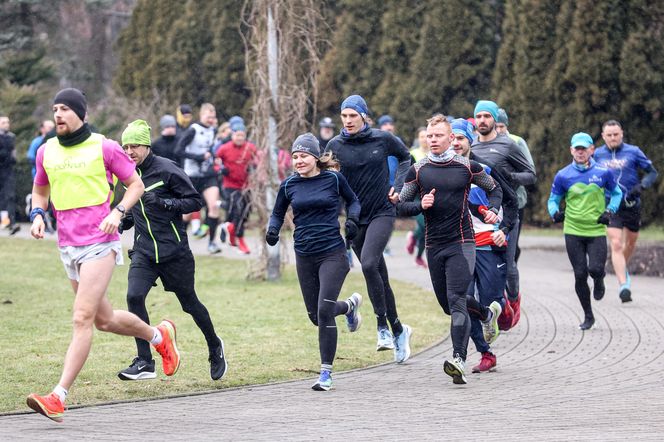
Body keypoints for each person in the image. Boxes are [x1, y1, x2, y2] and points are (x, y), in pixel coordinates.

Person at [26, 88, 179, 422]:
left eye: (65, 108)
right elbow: (40, 190)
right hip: (67, 246)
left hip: (100, 241)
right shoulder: (47, 151)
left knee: (81, 318)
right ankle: (159, 336)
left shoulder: (105, 147)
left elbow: (135, 184)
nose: (58, 114)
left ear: (81, 112)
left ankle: (58, 396)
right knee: (104, 320)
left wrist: (118, 211)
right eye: (55, 109)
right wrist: (38, 215)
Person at [115, 120, 227, 381]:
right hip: (144, 251)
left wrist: (164, 202)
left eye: (134, 146)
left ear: (146, 145)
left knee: (190, 304)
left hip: (174, 251)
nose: (129, 152)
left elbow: (194, 201)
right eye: (125, 147)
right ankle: (145, 361)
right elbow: (135, 209)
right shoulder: (127, 174)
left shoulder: (167, 169)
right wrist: (124, 221)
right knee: (134, 297)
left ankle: (214, 346)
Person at [398, 114, 502, 384]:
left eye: (438, 136)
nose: (433, 140)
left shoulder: (467, 167)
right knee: (449, 305)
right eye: (430, 136)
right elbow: (401, 206)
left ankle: (458, 359)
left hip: (462, 242)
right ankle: (487, 314)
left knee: (456, 299)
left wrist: (492, 210)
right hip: (434, 245)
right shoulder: (418, 170)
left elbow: (495, 189)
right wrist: (422, 205)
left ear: (450, 139)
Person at [267, 133, 363, 390]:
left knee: (323, 309)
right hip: (305, 254)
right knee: (316, 316)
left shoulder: (333, 179)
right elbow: (277, 213)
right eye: (295, 156)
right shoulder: (289, 185)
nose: (298, 161)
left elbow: (353, 200)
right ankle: (349, 307)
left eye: (303, 156)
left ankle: (326, 373)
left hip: (333, 253)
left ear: (315, 157)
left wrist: (352, 220)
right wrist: (273, 230)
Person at [325, 95, 413, 362]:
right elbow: (327, 180)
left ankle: (382, 327)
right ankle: (399, 329)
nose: (348, 121)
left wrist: (397, 188)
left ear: (364, 116)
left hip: (383, 211)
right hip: (355, 219)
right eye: (344, 116)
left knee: (369, 264)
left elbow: (406, 158)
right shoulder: (335, 145)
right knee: (378, 275)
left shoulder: (381, 139)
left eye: (353, 115)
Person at [451, 118, 518, 373]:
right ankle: (484, 353)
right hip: (461, 246)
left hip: (491, 244)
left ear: (470, 141)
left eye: (461, 138)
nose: (456, 143)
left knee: (491, 301)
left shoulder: (484, 169)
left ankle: (503, 306)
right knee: (463, 301)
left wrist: (504, 229)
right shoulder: (440, 170)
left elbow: (511, 202)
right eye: (453, 138)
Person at [471, 100, 536, 329]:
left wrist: (510, 178)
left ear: (494, 120)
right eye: (478, 116)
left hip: (508, 213)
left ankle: (514, 299)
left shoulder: (508, 145)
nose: (482, 121)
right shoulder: (471, 148)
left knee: (508, 267)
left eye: (487, 116)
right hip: (481, 218)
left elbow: (530, 175)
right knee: (480, 269)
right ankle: (491, 312)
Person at [549, 132, 622, 329]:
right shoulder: (563, 175)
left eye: (584, 149)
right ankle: (588, 316)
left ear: (591, 150)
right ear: (571, 150)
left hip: (596, 229)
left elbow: (617, 193)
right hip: (573, 229)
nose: (580, 152)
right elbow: (553, 199)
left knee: (596, 269)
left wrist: (610, 211)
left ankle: (599, 280)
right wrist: (555, 212)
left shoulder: (603, 172)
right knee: (580, 274)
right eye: (577, 149)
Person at [593, 120, 659, 302]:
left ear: (621, 133)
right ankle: (624, 285)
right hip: (610, 206)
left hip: (632, 204)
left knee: (629, 244)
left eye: (616, 134)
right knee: (615, 244)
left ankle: (622, 268)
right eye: (609, 135)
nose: (613, 138)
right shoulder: (597, 155)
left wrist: (642, 186)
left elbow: (652, 172)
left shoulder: (634, 151)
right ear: (603, 136)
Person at [174, 103, 222, 254]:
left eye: (213, 117)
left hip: (208, 175)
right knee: (187, 213)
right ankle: (178, 244)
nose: (210, 119)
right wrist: (199, 157)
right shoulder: (193, 130)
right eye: (208, 117)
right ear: (201, 116)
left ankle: (212, 243)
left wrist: (214, 158)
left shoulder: (213, 131)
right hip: (192, 176)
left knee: (214, 206)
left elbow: (210, 150)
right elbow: (178, 151)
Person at [495, 108, 535, 264]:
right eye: (496, 127)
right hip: (492, 203)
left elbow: (530, 171)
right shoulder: (483, 142)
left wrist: (509, 180)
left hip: (516, 200)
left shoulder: (517, 142)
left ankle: (511, 277)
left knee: (512, 243)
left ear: (506, 126)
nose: (499, 131)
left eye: (501, 127)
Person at [216, 122, 257, 254]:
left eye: (242, 135)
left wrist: (255, 168)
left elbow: (258, 161)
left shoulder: (250, 148)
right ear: (232, 135)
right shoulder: (224, 148)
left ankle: (230, 231)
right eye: (237, 135)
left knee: (245, 212)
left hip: (246, 185)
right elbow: (215, 161)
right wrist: (221, 169)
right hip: (230, 185)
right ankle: (240, 240)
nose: (240, 138)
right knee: (238, 210)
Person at [405, 127, 429, 268]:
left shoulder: (435, 153)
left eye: (427, 136)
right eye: (422, 136)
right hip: (416, 198)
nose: (425, 139)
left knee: (425, 229)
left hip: (430, 196)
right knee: (426, 225)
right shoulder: (413, 154)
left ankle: (417, 250)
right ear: (418, 139)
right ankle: (415, 241)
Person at [0, 115, 20, 234]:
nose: (7, 124)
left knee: (10, 195)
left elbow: (13, 153)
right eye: (3, 122)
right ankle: (4, 220)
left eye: (7, 122)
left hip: (8, 170)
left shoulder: (11, 137)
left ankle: (10, 222)